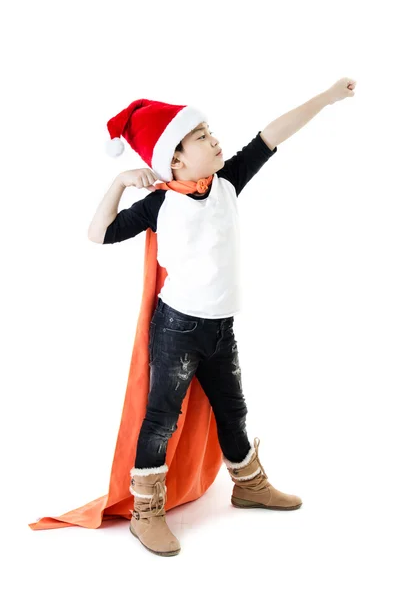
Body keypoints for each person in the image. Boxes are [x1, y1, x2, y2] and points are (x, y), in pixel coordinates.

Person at [88, 80, 356, 556]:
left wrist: (327, 97)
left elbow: (272, 134)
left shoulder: (228, 182)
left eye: (209, 130)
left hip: (220, 328)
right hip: (176, 330)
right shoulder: (160, 203)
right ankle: (144, 511)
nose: (214, 139)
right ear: (175, 158)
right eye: (201, 135)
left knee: (233, 410)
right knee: (160, 422)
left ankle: (248, 484)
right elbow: (99, 234)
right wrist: (119, 182)